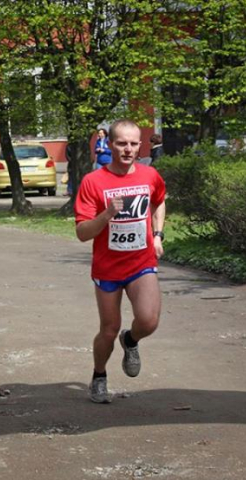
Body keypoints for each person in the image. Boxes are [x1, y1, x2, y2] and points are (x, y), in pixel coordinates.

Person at [75, 119, 166, 403]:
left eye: (133, 144)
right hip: (108, 267)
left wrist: (157, 235)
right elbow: (81, 232)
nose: (128, 149)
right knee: (108, 329)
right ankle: (99, 375)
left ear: (141, 146)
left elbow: (160, 200)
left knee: (149, 321)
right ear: (110, 145)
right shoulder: (93, 181)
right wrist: (105, 216)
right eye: (121, 143)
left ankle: (131, 340)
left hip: (141, 261)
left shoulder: (149, 175)